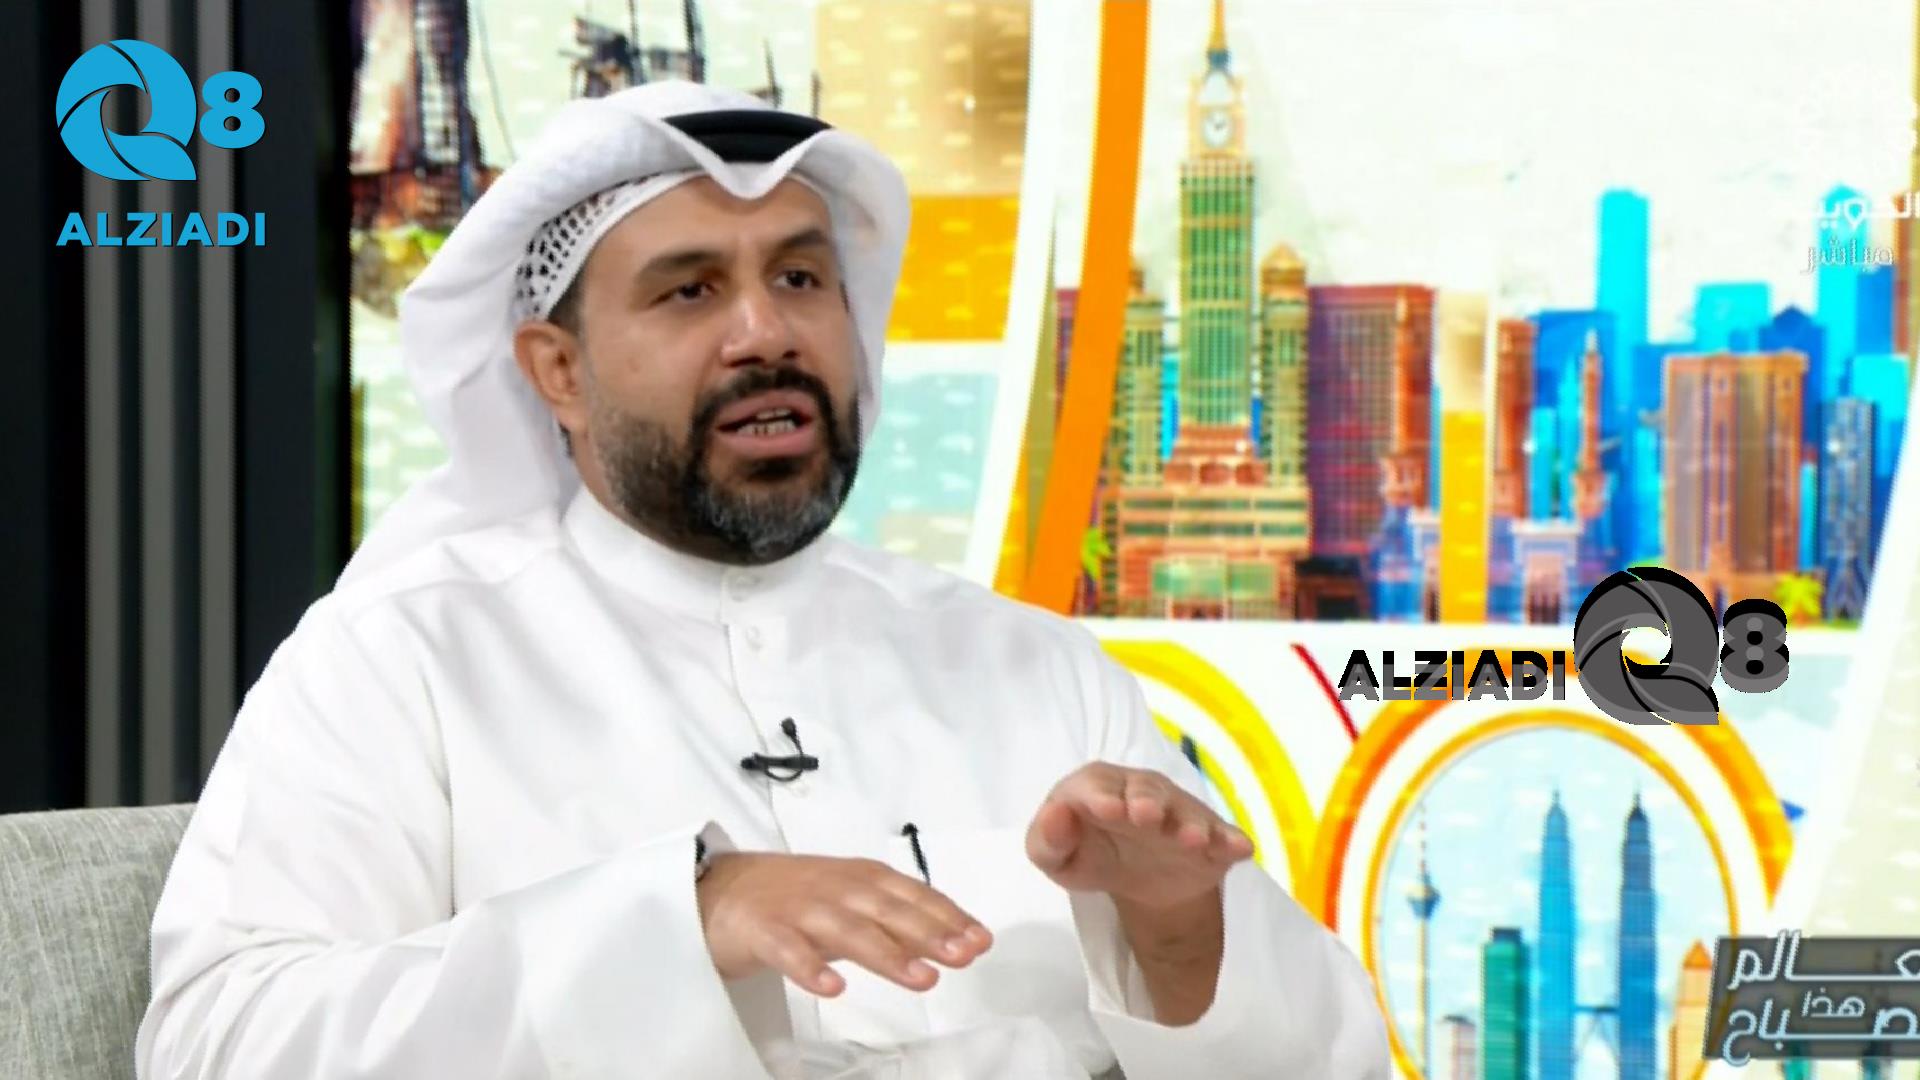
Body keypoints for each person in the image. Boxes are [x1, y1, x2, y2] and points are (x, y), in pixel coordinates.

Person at [135, 81, 1392, 1079]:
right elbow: (219, 1042)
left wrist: (1178, 933)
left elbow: (1329, 1064)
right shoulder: (403, 657)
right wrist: (681, 920)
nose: (766, 332)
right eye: (690, 291)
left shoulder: (1035, 668)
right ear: (557, 371)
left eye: (799, 278)